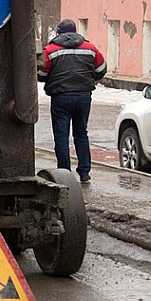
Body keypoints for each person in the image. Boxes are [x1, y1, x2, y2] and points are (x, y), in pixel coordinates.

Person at [38, 18, 107, 183]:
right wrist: (88, 78)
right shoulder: (90, 48)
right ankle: (84, 171)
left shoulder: (50, 50)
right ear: (76, 31)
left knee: (61, 136)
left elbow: (41, 74)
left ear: (59, 33)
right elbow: (101, 69)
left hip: (61, 97)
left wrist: (52, 78)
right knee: (81, 133)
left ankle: (65, 173)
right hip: (83, 96)